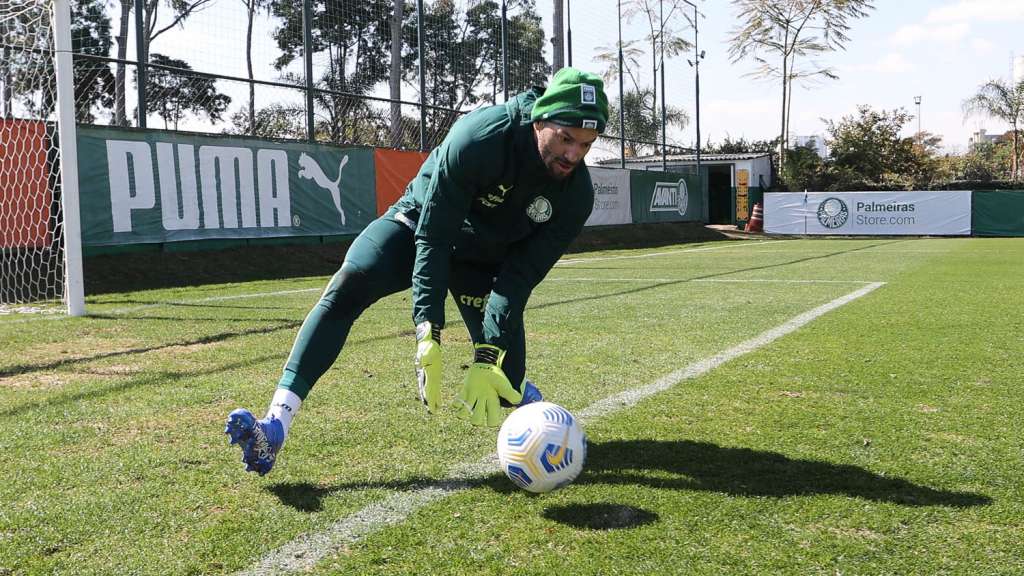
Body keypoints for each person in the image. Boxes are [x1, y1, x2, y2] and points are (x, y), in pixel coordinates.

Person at [225, 67, 609, 476]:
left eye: (585, 145)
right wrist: (429, 329)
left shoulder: (576, 196)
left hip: (486, 258)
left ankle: (527, 400)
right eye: (565, 138)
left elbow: (519, 279)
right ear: (539, 120)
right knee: (350, 284)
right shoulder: (479, 137)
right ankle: (274, 426)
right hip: (419, 224)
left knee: (505, 378)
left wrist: (486, 355)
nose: (572, 155)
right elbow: (435, 238)